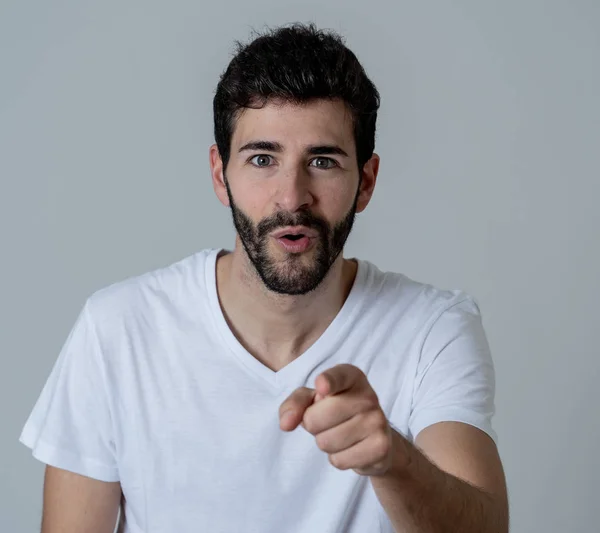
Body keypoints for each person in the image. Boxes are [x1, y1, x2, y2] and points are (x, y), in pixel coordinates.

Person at [20, 22, 509, 533]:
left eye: (322, 161)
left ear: (365, 183)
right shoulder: (118, 328)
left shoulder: (433, 328)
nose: (291, 197)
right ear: (220, 176)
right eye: (262, 159)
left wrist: (393, 462)